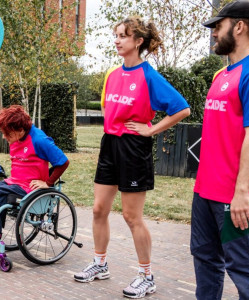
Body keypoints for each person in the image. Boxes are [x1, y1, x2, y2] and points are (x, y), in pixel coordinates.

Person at [72, 17, 191, 299]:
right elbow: (108, 109)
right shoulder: (112, 75)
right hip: (110, 144)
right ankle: (100, 264)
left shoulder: (150, 76)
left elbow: (182, 109)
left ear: (138, 42)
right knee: (99, 209)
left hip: (134, 148)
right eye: (116, 35)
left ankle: (146, 276)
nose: (117, 40)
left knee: (131, 216)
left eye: (123, 36)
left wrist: (151, 130)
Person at [191, 1, 249, 299]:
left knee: (245, 272)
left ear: (238, 26)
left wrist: (242, 192)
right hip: (205, 191)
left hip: (233, 195)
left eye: (218, 26)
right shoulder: (222, 75)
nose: (214, 33)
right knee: (205, 262)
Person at [0, 105, 70, 249]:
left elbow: (63, 162)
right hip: (15, 182)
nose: (4, 137)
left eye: (8, 134)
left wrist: (48, 183)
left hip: (29, 187)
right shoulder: (17, 138)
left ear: (20, 130)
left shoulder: (39, 140)